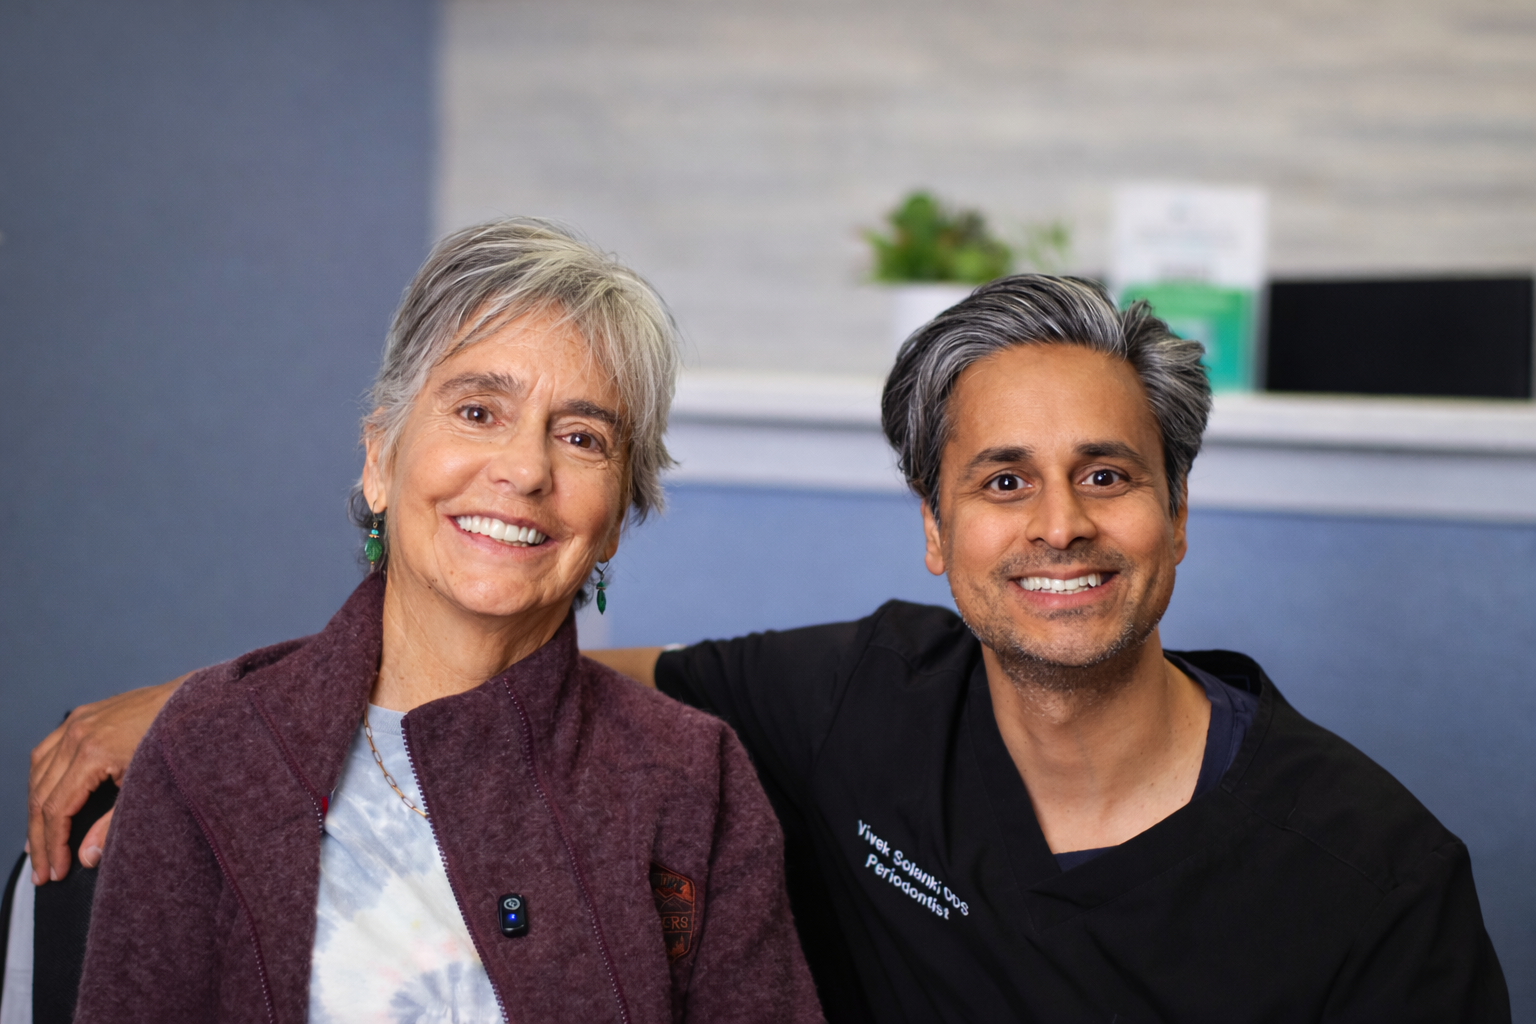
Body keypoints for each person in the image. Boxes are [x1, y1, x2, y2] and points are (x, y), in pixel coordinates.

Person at [30, 276, 1508, 1022]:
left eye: (1108, 477)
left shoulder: (1375, 882)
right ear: (936, 532)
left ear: (1176, 520)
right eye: (1002, 481)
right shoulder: (857, 697)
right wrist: (211, 701)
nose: (1058, 526)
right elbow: (536, 673)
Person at [55, 220, 823, 1023]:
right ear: (379, 459)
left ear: (618, 517)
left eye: (581, 436)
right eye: (478, 412)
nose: (526, 470)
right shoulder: (212, 742)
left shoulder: (695, 777)